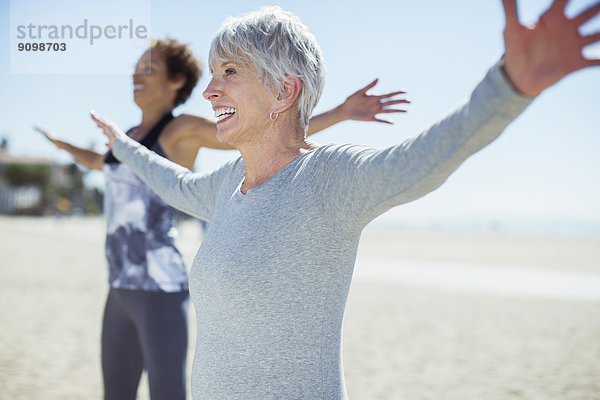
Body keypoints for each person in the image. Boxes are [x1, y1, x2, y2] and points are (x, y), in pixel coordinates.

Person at [91, 1, 600, 399]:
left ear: (283, 92)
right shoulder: (227, 185)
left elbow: (426, 158)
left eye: (230, 73)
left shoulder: (329, 179)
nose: (210, 91)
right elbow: (172, 182)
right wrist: (121, 143)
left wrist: (510, 87)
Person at [37, 37, 407, 400]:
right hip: (119, 280)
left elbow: (266, 126)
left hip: (160, 283)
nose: (136, 75)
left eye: (147, 69)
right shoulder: (129, 137)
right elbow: (99, 162)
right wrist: (61, 144)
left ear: (176, 81)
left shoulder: (180, 129)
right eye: (135, 69)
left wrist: (340, 112)